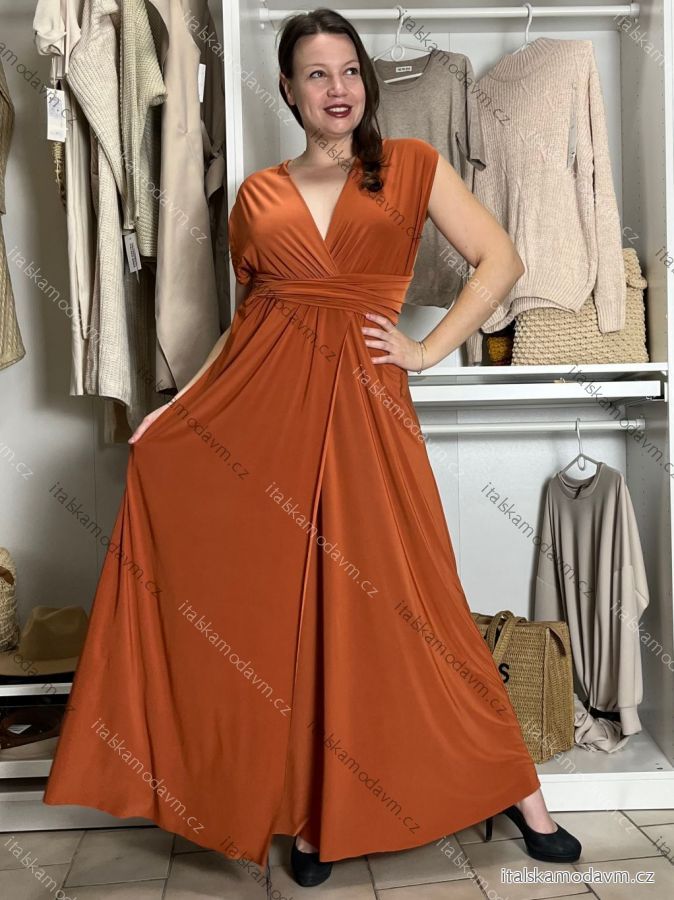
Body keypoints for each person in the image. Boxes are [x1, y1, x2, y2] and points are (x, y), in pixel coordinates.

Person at [43, 7, 581, 896]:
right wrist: (177, 413)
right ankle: (310, 811)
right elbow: (246, 326)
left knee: (418, 606)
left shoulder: (412, 164)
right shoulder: (258, 194)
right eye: (318, 74)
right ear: (289, 90)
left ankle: (521, 796)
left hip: (367, 412)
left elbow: (501, 260)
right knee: (286, 621)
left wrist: (423, 350)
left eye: (350, 71)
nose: (339, 89)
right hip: (266, 423)